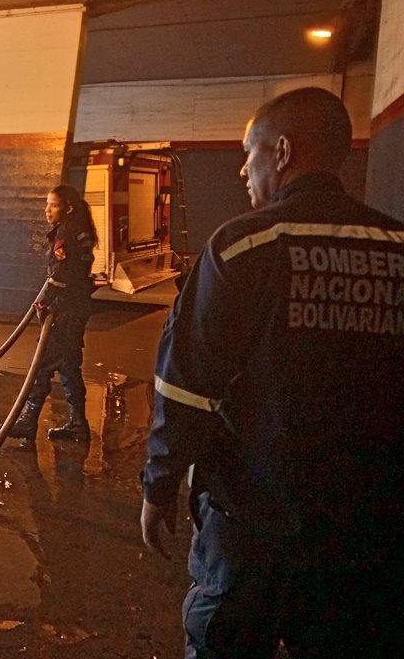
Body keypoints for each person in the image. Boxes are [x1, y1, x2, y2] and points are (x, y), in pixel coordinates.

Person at [140, 87, 404, 657]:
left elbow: (185, 386)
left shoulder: (242, 246)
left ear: (281, 152)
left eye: (249, 152)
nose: (243, 169)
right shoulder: (398, 250)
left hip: (252, 527)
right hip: (368, 532)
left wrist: (158, 483)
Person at [6, 183, 98, 441]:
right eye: (47, 203)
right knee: (68, 366)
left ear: (67, 208)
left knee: (42, 365)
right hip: (74, 308)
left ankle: (28, 421)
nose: (47, 209)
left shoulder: (66, 233)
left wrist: (45, 302)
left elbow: (60, 276)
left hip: (65, 311)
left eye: (53, 204)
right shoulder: (78, 230)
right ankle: (78, 424)